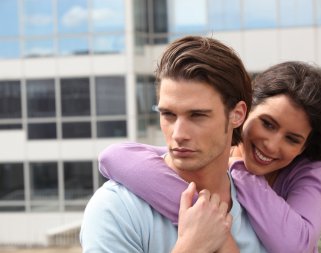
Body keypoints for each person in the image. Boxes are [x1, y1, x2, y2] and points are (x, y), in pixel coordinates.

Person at [99, 61, 321, 253]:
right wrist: (212, 227)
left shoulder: (309, 169)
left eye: (292, 139)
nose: (271, 144)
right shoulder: (207, 157)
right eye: (267, 124)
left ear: (305, 146)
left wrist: (240, 173)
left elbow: (296, 246)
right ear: (243, 111)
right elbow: (114, 157)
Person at [80, 35, 267, 253]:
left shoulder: (262, 209)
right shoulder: (116, 208)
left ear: (237, 114)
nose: (178, 134)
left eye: (197, 115)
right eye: (168, 114)